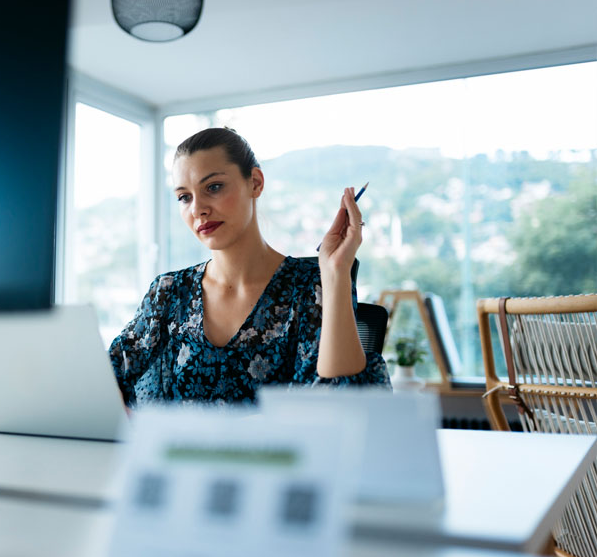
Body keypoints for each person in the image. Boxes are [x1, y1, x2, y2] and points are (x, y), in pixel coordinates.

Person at [109, 127, 389, 407]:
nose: (197, 209)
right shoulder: (168, 293)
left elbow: (342, 403)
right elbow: (106, 379)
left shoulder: (312, 286)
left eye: (213, 187)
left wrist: (337, 272)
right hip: (184, 451)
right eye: (185, 197)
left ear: (255, 183)